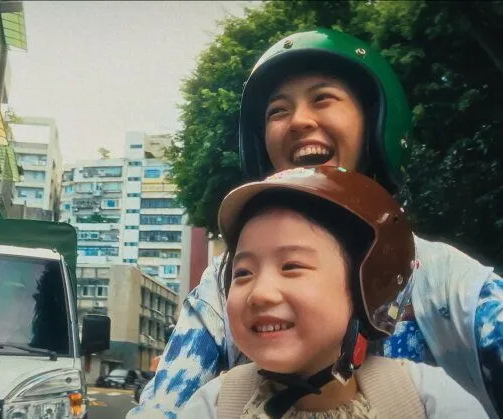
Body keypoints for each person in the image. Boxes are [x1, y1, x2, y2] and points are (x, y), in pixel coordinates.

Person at [129, 28, 502, 418]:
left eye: (323, 98)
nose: (298, 121)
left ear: (375, 125)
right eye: (278, 110)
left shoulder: (446, 283)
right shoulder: (221, 292)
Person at [178, 165, 487, 418]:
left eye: (292, 266)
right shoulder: (215, 407)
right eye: (243, 273)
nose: (259, 294)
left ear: (367, 286)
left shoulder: (425, 401)